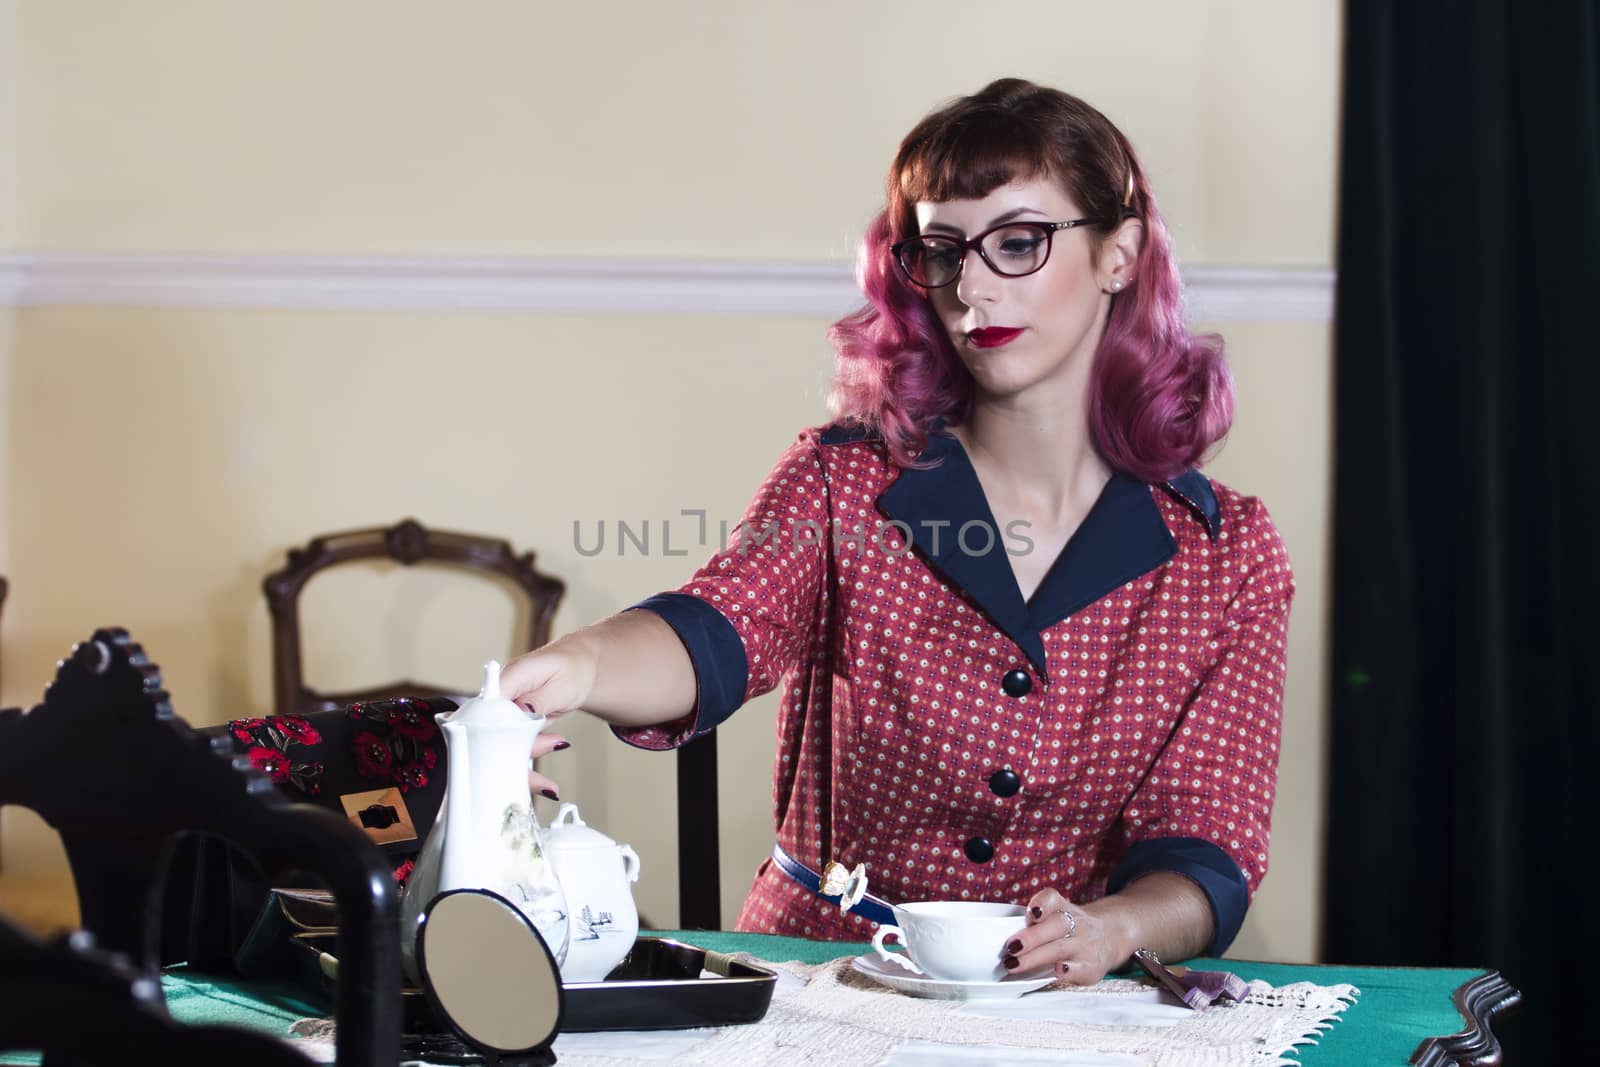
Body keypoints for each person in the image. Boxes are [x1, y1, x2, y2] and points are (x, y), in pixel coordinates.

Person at [503, 78, 1294, 985]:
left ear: (1120, 253)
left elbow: (1207, 845)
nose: (973, 286)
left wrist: (1111, 928)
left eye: (1020, 242)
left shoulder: (1226, 552)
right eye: (944, 249)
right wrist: (582, 666)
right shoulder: (843, 479)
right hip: (823, 976)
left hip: (1057, 1008)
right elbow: (715, 628)